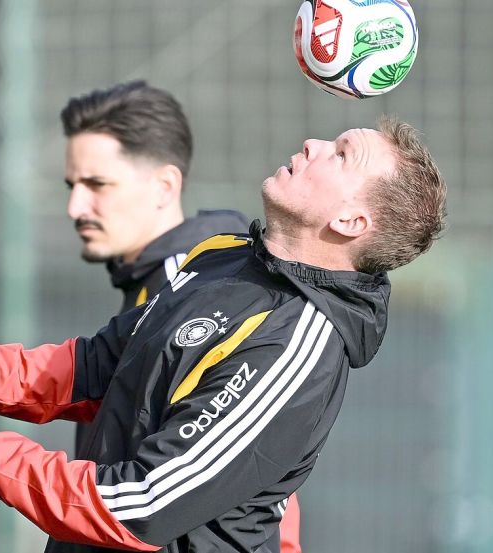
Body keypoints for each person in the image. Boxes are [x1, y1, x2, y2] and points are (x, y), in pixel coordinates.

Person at [0, 116, 447, 553]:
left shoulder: (296, 346)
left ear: (349, 223)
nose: (311, 145)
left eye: (341, 154)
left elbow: (145, 502)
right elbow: (98, 369)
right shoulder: (224, 257)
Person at [59, 81, 309, 551]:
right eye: (72, 186)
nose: (76, 207)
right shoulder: (161, 284)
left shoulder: (198, 291)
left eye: (97, 185)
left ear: (165, 186)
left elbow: (260, 464)